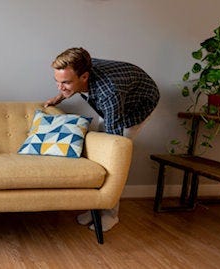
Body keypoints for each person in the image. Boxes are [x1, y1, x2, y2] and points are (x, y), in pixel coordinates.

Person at [44, 47, 159, 232]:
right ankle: (95, 208)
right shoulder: (80, 64)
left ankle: (110, 215)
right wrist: (59, 98)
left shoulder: (109, 94)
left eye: (65, 82)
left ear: (84, 77)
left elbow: (115, 147)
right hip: (118, 96)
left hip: (137, 105)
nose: (60, 86)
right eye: (57, 81)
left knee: (113, 158)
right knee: (97, 150)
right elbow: (66, 85)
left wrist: (111, 151)